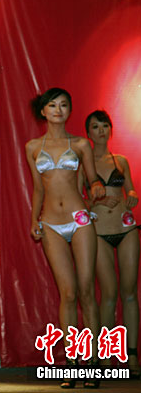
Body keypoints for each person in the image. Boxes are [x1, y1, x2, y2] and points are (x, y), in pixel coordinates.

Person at [25, 88, 105, 388]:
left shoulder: (81, 144)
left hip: (79, 219)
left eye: (64, 105)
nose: (58, 110)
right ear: (43, 111)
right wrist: (33, 219)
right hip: (50, 223)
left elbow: (92, 178)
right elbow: (37, 188)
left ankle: (93, 364)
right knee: (68, 294)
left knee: (86, 291)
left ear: (70, 110)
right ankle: (72, 364)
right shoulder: (33, 146)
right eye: (52, 105)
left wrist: (96, 186)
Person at [82, 110, 139, 378]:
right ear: (88, 133)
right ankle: (105, 357)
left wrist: (132, 194)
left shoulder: (121, 160)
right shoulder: (83, 163)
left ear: (111, 130)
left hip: (126, 228)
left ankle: (132, 355)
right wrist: (97, 200)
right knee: (108, 294)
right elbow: (76, 200)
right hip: (98, 232)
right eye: (95, 126)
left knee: (129, 293)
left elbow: (131, 189)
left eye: (105, 125)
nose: (101, 130)